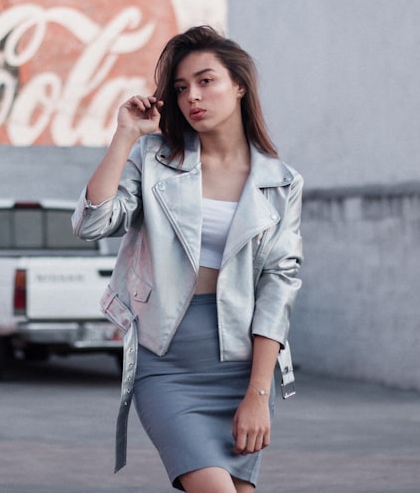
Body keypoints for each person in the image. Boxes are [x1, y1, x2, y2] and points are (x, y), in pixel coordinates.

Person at [72, 25, 304, 492]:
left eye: (206, 81)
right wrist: (125, 135)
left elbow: (278, 287)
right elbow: (92, 223)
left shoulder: (281, 182)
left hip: (242, 370)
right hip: (166, 362)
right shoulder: (154, 159)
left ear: (239, 85)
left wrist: (258, 394)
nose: (192, 96)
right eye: (181, 88)